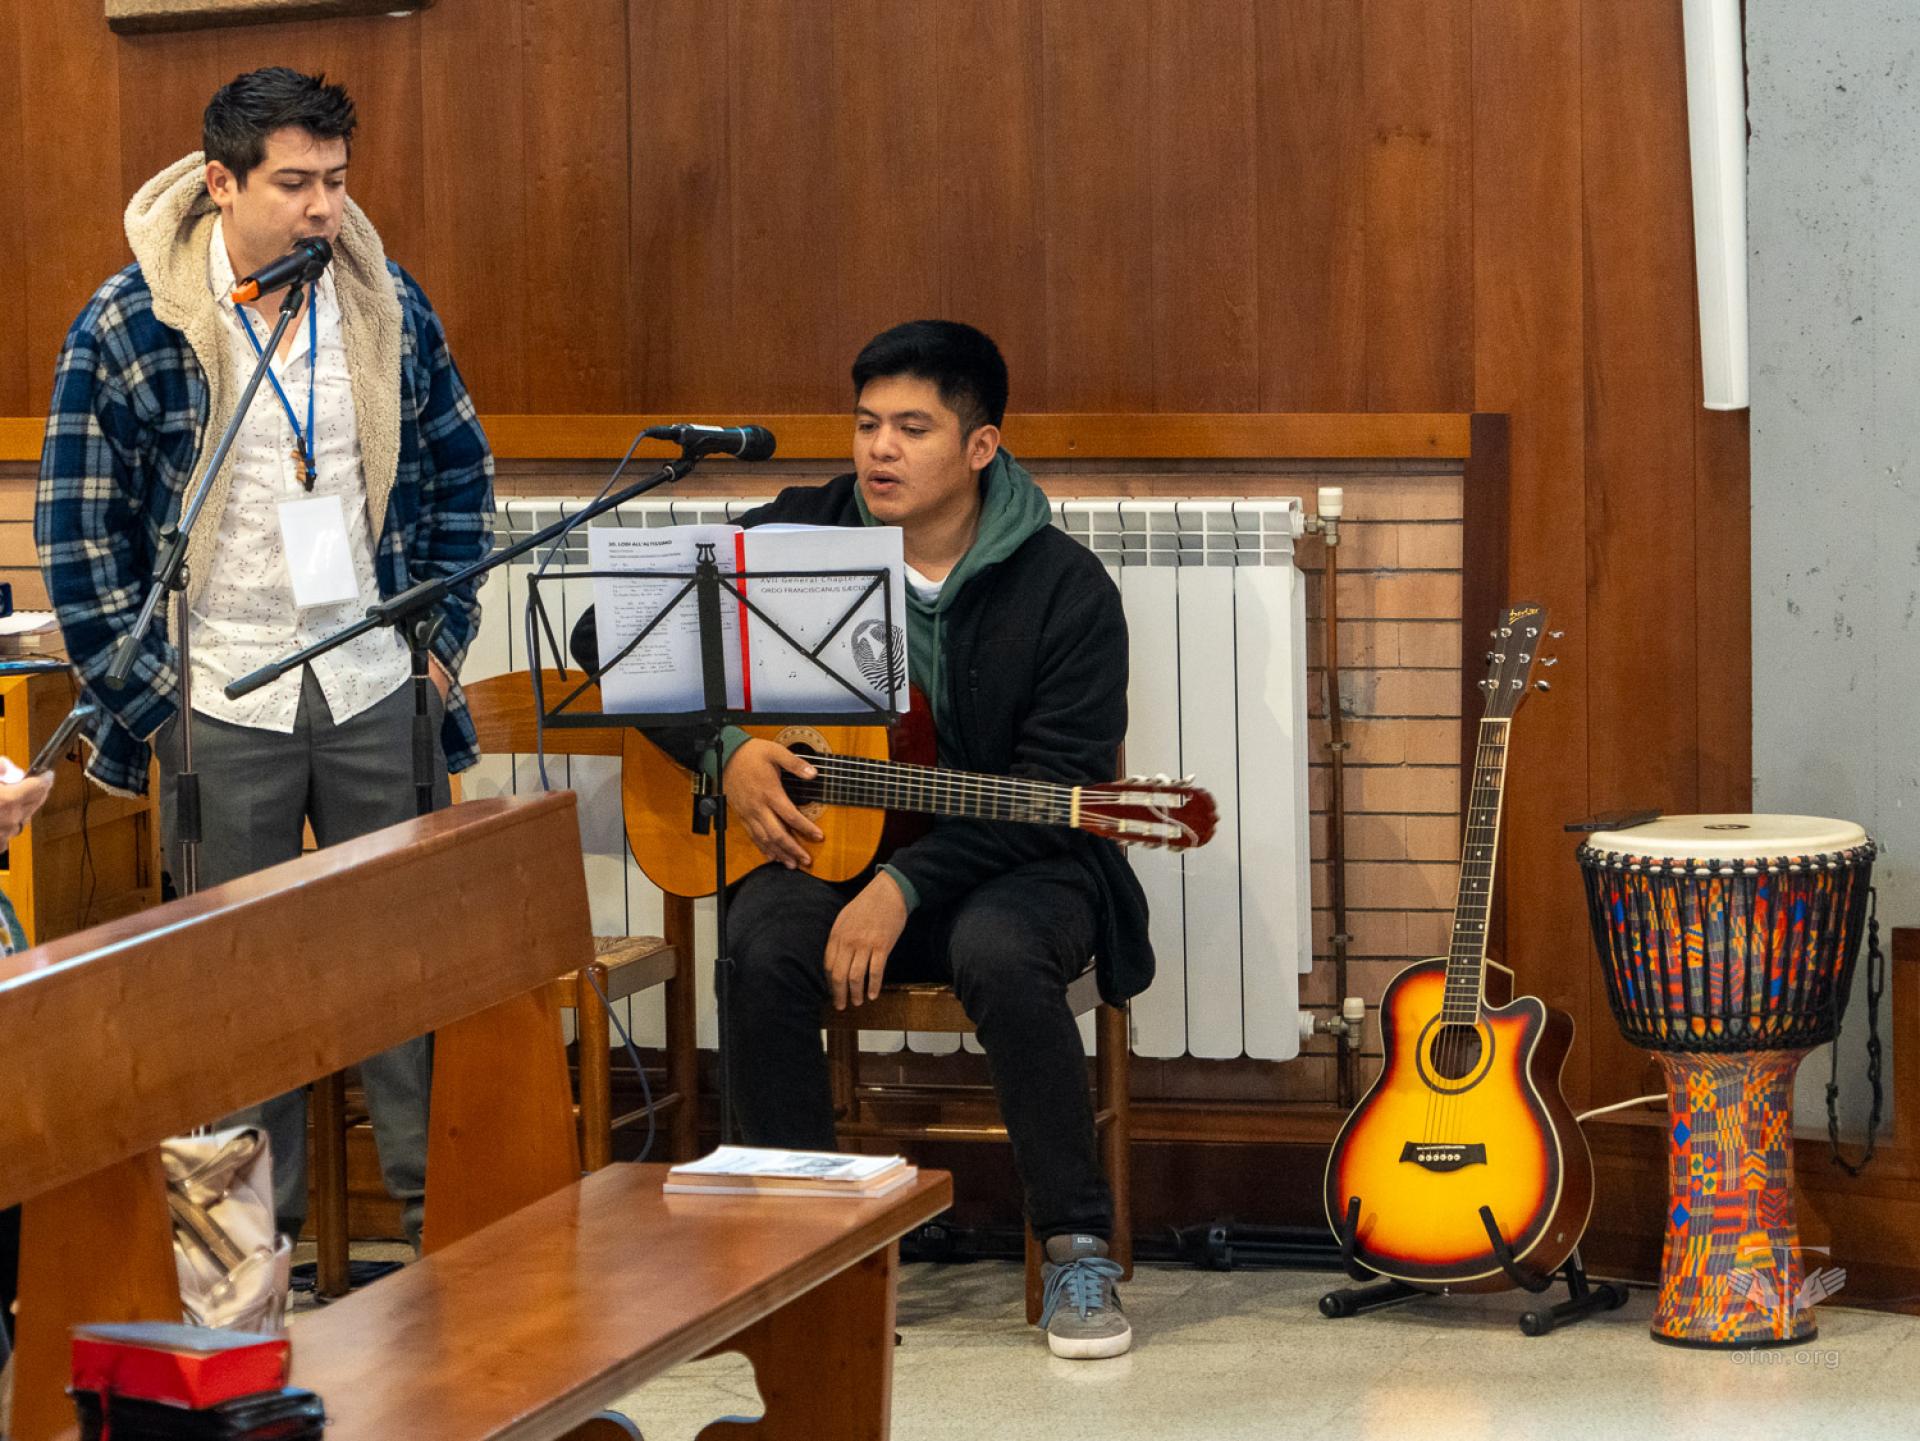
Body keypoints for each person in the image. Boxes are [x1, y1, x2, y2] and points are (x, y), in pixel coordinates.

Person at [584, 320, 1151, 1358]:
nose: (880, 449)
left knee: (1000, 951)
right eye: (866, 424)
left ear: (980, 447)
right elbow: (605, 635)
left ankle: (1078, 1246)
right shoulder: (798, 533)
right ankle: (807, 1254)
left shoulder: (1066, 591)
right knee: (762, 943)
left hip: (1014, 863)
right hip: (836, 845)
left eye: (912, 428)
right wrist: (727, 752)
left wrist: (902, 883)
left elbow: (1049, 791)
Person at [36, 67, 494, 1250]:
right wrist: (155, 707)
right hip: (218, 697)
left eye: (336, 180)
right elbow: (77, 540)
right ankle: (248, 1268)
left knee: (409, 977)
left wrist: (440, 645)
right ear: (221, 183)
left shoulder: (381, 297)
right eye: (294, 183)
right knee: (241, 996)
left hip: (374, 679)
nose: (322, 209)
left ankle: (446, 1246)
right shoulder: (132, 321)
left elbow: (462, 474)